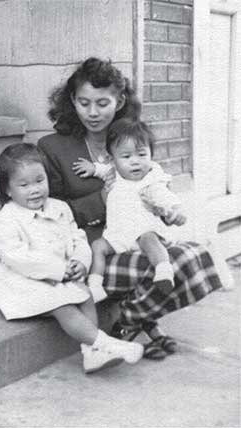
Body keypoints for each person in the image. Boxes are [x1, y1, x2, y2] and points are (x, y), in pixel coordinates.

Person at [38, 57, 223, 360]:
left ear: (120, 100)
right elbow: (50, 213)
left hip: (138, 235)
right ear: (72, 101)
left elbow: (153, 190)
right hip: (92, 248)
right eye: (84, 103)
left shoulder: (133, 141)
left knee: (194, 253)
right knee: (171, 264)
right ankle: (134, 322)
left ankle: (132, 321)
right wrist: (101, 199)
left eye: (102, 103)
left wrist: (163, 208)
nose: (93, 112)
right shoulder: (52, 148)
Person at [0, 143, 144, 374]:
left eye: (39, 181)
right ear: (8, 190)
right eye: (24, 185)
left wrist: (79, 262)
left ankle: (91, 353)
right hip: (25, 284)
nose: (34, 190)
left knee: (85, 293)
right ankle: (104, 343)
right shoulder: (5, 219)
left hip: (62, 274)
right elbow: (18, 258)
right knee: (62, 304)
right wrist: (58, 269)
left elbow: (78, 238)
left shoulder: (60, 208)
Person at [88, 118, 187, 301]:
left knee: (149, 238)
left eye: (142, 155)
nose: (135, 162)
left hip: (143, 231)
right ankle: (95, 285)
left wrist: (176, 211)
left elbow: (165, 197)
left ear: (151, 155)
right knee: (97, 246)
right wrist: (91, 168)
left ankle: (163, 270)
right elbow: (101, 169)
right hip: (118, 234)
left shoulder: (151, 179)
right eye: (126, 157)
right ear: (113, 158)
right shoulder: (112, 173)